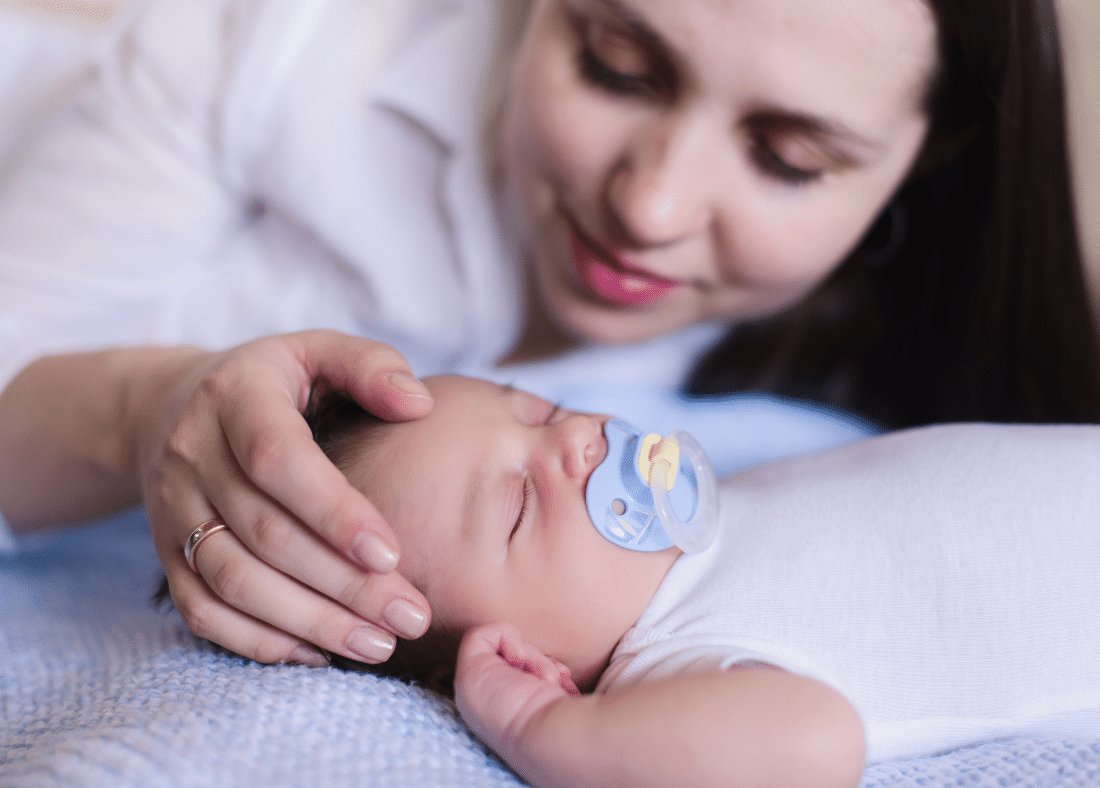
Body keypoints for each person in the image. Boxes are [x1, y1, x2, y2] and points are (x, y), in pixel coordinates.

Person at [2, 0, 1100, 672]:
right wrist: (137, 408)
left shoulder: (898, 352)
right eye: (618, 64)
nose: (651, 207)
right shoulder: (277, 43)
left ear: (928, 159)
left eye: (787, 159)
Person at [255, 373, 1095, 788]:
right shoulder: (673, 663)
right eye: (517, 505)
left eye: (539, 410)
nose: (575, 440)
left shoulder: (728, 503)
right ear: (510, 657)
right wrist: (545, 730)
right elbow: (815, 743)